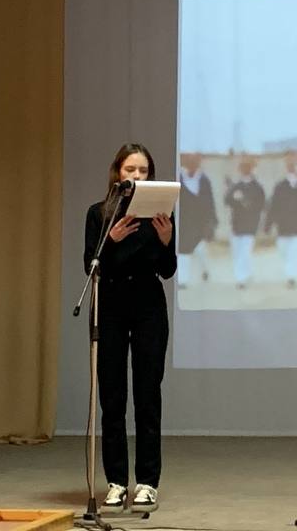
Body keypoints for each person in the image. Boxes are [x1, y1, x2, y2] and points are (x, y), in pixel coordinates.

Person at [83, 143, 175, 514]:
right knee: (112, 397)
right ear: (117, 173)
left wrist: (166, 241)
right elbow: (90, 265)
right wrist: (111, 241)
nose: (136, 176)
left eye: (143, 170)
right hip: (110, 306)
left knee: (148, 395)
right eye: (130, 169)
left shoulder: (160, 214)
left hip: (149, 305)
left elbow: (167, 269)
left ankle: (148, 482)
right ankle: (117, 481)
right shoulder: (99, 214)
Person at [264, 150, 297, 288]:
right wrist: (268, 225)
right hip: (283, 226)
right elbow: (272, 206)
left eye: (295, 163)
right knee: (284, 251)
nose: (292, 166)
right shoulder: (280, 186)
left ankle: (291, 277)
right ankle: (290, 273)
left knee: (295, 252)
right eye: (289, 164)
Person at [224, 156, 266, 288]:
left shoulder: (257, 186)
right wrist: (236, 199)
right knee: (237, 252)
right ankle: (246, 273)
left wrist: (249, 205)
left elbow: (262, 204)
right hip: (236, 224)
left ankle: (240, 278)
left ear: (252, 168)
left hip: (250, 224)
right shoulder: (235, 186)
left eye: (248, 166)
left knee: (245, 251)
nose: (245, 169)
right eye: (243, 166)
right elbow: (227, 200)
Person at [177, 152, 216, 288]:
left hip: (200, 222)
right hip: (185, 222)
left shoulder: (204, 180)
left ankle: (205, 270)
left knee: (201, 249)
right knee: (183, 251)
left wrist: (212, 221)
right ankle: (182, 280)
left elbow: (210, 202)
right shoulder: (179, 179)